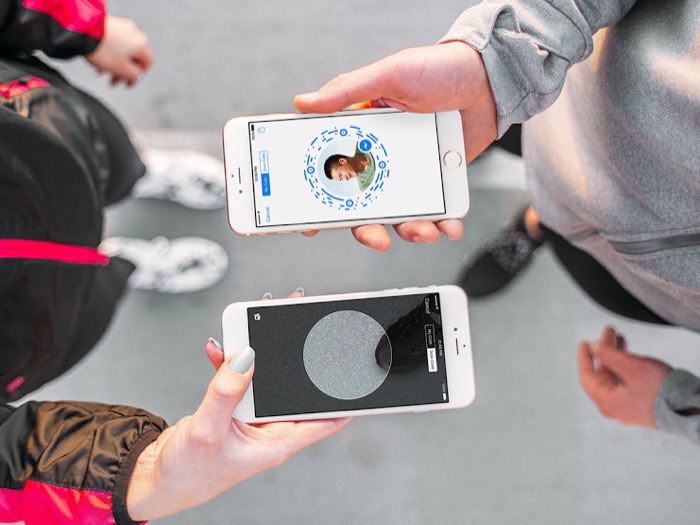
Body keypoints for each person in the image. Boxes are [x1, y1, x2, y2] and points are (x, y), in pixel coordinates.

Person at [0, 2, 348, 523]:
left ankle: (143, 177)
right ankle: (128, 264)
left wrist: (84, 27)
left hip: (40, 132)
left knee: (112, 160)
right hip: (29, 331)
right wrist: (144, 475)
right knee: (98, 291)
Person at [293, 0, 700, 443]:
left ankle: (533, 226)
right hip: (583, 100)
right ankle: (475, 149)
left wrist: (680, 410)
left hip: (654, 280)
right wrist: (500, 65)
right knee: (483, 124)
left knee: (562, 234)